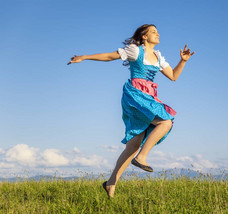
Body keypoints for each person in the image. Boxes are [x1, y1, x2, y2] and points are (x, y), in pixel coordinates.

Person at [67, 24, 195, 199]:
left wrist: (183, 61)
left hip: (149, 96)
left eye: (157, 32)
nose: (157, 34)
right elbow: (110, 56)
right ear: (143, 36)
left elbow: (173, 76)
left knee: (133, 145)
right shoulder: (135, 50)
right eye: (153, 32)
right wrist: (84, 57)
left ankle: (110, 184)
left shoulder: (158, 56)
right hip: (135, 95)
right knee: (166, 121)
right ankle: (141, 157)